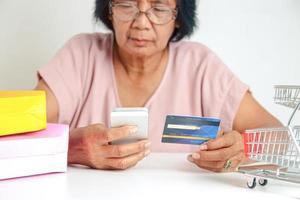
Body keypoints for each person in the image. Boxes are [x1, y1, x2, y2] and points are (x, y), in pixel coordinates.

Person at [35, 0, 281, 172]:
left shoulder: (201, 66)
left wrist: (242, 149)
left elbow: (279, 137)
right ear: (109, 10)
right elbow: (14, 133)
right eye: (126, 5)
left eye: (159, 8)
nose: (141, 23)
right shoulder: (80, 55)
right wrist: (69, 148)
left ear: (178, 19)